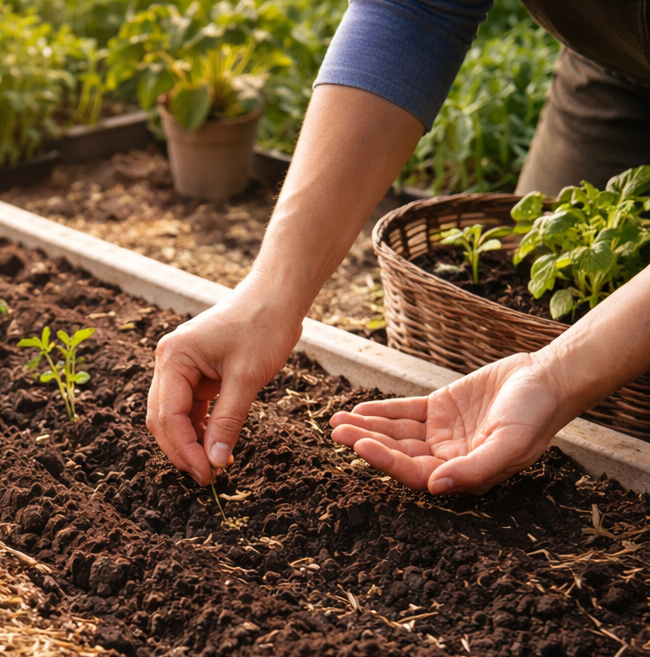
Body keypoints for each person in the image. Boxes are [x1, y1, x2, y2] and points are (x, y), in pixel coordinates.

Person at [145, 0, 650, 495]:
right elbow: (416, 9)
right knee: (546, 264)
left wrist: (560, 374)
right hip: (609, 62)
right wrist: (269, 294)